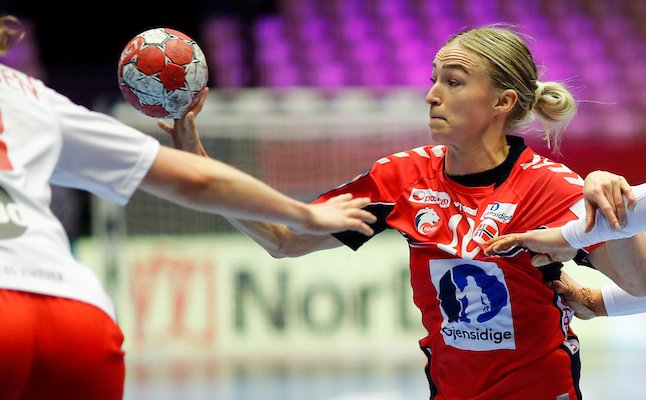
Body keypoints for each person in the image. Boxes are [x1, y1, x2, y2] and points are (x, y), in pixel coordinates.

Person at [167, 24, 646, 399]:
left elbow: (640, 284)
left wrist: (610, 205)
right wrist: (198, 160)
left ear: (503, 102)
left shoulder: (549, 186)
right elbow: (283, 238)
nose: (431, 94)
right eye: (434, 78)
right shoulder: (402, 178)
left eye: (453, 82)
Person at [0, 15, 377, 400]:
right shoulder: (30, 94)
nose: (431, 95)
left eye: (445, 81)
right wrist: (305, 215)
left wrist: (307, 217)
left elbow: (211, 189)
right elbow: (272, 233)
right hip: (77, 314)